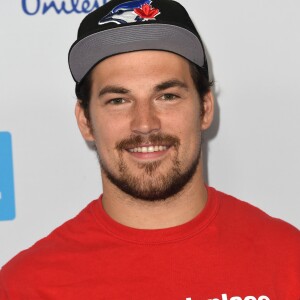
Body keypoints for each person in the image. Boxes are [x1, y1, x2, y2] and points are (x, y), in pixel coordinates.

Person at [0, 0, 299, 299]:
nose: (145, 123)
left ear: (205, 108)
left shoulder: (289, 263)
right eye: (118, 100)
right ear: (86, 121)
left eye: (167, 96)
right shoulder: (25, 287)